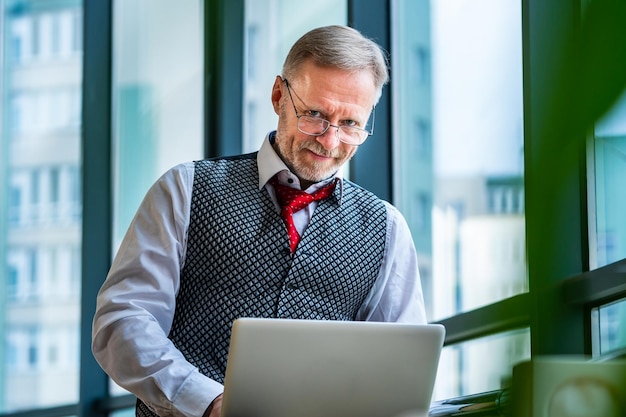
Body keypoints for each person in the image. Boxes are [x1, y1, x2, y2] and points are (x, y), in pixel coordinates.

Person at [92, 25, 427, 417]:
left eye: (350, 125)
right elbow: (124, 320)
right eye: (315, 114)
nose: (330, 141)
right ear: (278, 96)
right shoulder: (185, 190)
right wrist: (207, 401)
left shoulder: (387, 229)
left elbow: (401, 369)